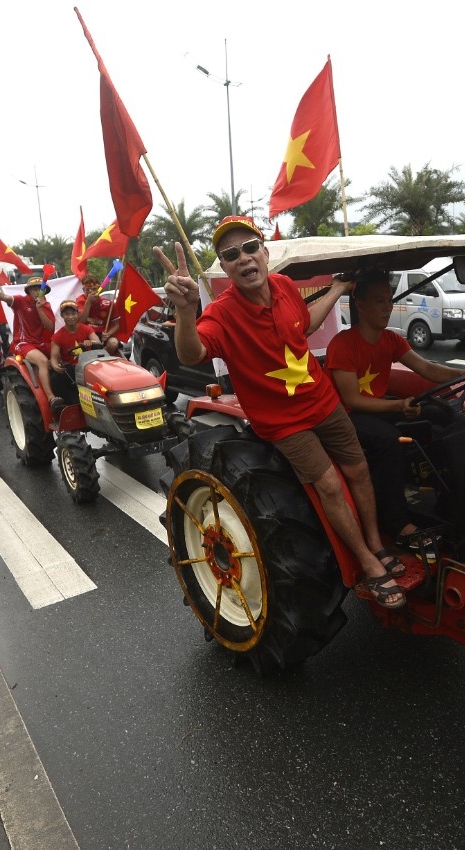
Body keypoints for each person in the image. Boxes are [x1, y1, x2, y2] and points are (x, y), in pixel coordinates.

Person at [154, 215, 406, 609]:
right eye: (231, 254)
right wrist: (185, 311)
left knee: (358, 468)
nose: (244, 258)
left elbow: (304, 325)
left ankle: (376, 540)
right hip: (284, 422)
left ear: (265, 252)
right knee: (329, 485)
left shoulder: (286, 287)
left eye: (251, 247)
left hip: (323, 401)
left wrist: (338, 287)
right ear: (225, 266)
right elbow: (193, 352)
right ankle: (367, 561)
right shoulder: (221, 313)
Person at [326, 269, 465, 547]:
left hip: (381, 406)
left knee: (442, 415)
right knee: (389, 442)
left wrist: (463, 374)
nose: (387, 308)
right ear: (360, 305)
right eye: (379, 301)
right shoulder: (342, 345)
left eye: (389, 301)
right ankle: (398, 524)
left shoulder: (391, 340)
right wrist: (398, 406)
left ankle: (448, 498)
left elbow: (426, 367)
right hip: (348, 417)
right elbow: (352, 401)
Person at [0, 277, 59, 409]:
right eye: (34, 289)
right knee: (43, 361)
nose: (37, 292)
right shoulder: (21, 301)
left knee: (62, 356)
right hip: (23, 342)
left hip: (40, 343)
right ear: (29, 291)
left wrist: (40, 309)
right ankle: (51, 398)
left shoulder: (46, 305)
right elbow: (4, 297)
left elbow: (50, 327)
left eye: (40, 289)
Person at [49, 300, 100, 409]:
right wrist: (55, 366)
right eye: (67, 314)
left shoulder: (86, 329)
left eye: (73, 313)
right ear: (62, 316)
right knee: (56, 377)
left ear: (78, 314)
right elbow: (53, 357)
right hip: (72, 369)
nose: (71, 317)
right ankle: (67, 406)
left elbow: (98, 342)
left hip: (89, 366)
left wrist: (91, 342)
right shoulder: (58, 336)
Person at [76, 274, 123, 356]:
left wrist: (108, 334)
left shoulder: (108, 303)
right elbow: (81, 321)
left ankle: (103, 356)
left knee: (113, 343)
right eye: (88, 290)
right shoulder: (80, 301)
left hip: (103, 335)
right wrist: (88, 302)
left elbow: (117, 325)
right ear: (84, 290)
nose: (91, 292)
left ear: (99, 289)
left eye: (94, 289)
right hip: (86, 335)